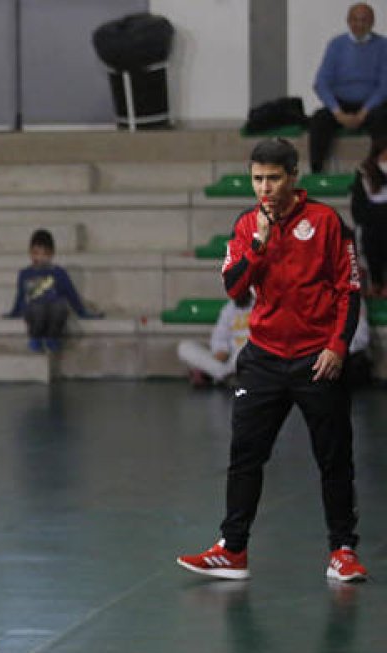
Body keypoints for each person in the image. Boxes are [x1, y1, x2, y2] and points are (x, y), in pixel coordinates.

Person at [177, 138, 368, 583]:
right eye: (258, 178)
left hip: (316, 360)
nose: (265, 187)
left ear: (293, 177)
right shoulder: (245, 225)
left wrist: (338, 346)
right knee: (245, 455)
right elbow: (233, 287)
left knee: (334, 458)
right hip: (262, 359)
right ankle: (233, 549)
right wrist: (258, 244)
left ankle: (342, 551)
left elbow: (348, 290)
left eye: (274, 178)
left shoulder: (325, 222)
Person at [309, 3, 387, 173]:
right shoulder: (336, 45)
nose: (359, 24)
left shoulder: (383, 46)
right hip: (341, 104)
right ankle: (317, 172)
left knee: (383, 120)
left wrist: (364, 112)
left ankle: (378, 173)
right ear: (348, 21)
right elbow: (321, 82)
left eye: (364, 20)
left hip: (371, 106)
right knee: (319, 120)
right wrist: (337, 112)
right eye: (355, 20)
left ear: (372, 22)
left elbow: (384, 85)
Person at [3, 229, 102, 352]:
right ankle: (35, 337)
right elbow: (20, 296)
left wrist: (83, 313)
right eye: (35, 253)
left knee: (60, 306)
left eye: (44, 254)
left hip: (52, 311)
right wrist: (13, 313)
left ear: (51, 254)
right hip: (35, 311)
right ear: (30, 252)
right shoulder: (25, 273)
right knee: (37, 308)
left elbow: (71, 295)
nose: (39, 257)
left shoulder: (58, 273)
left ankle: (53, 337)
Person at [176, 292, 253, 387]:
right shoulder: (228, 309)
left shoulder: (261, 306)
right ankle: (226, 375)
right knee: (184, 347)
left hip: (247, 357)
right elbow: (219, 337)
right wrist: (221, 350)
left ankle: (214, 375)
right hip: (228, 359)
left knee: (247, 350)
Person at [350, 134, 387, 296]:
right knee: (371, 238)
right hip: (372, 224)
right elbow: (358, 205)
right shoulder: (365, 172)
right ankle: (376, 282)